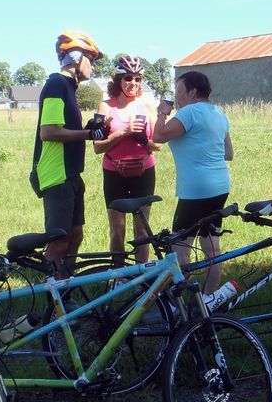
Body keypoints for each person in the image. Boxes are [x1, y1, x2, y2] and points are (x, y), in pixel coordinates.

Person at [32, 31, 109, 274]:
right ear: (76, 58)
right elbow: (49, 132)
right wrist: (89, 135)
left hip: (71, 175)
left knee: (75, 236)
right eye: (92, 59)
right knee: (59, 242)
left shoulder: (68, 87)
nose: (94, 66)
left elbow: (62, 129)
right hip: (57, 176)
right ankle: (52, 304)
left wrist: (87, 129)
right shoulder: (56, 84)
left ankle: (64, 293)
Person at [152, 71, 234, 294]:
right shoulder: (219, 114)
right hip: (220, 186)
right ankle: (209, 298)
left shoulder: (188, 113)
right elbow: (229, 153)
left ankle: (176, 304)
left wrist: (161, 113)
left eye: (179, 91)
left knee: (180, 248)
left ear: (193, 91)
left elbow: (157, 136)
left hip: (194, 191)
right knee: (212, 246)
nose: (176, 97)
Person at [93, 55, 160, 262]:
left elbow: (157, 145)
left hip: (144, 172)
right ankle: (118, 275)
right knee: (117, 230)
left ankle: (142, 279)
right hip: (114, 173)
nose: (133, 83)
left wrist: (142, 140)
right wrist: (124, 132)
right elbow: (97, 147)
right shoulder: (105, 106)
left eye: (137, 79)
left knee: (142, 232)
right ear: (118, 80)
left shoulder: (147, 105)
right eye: (128, 78)